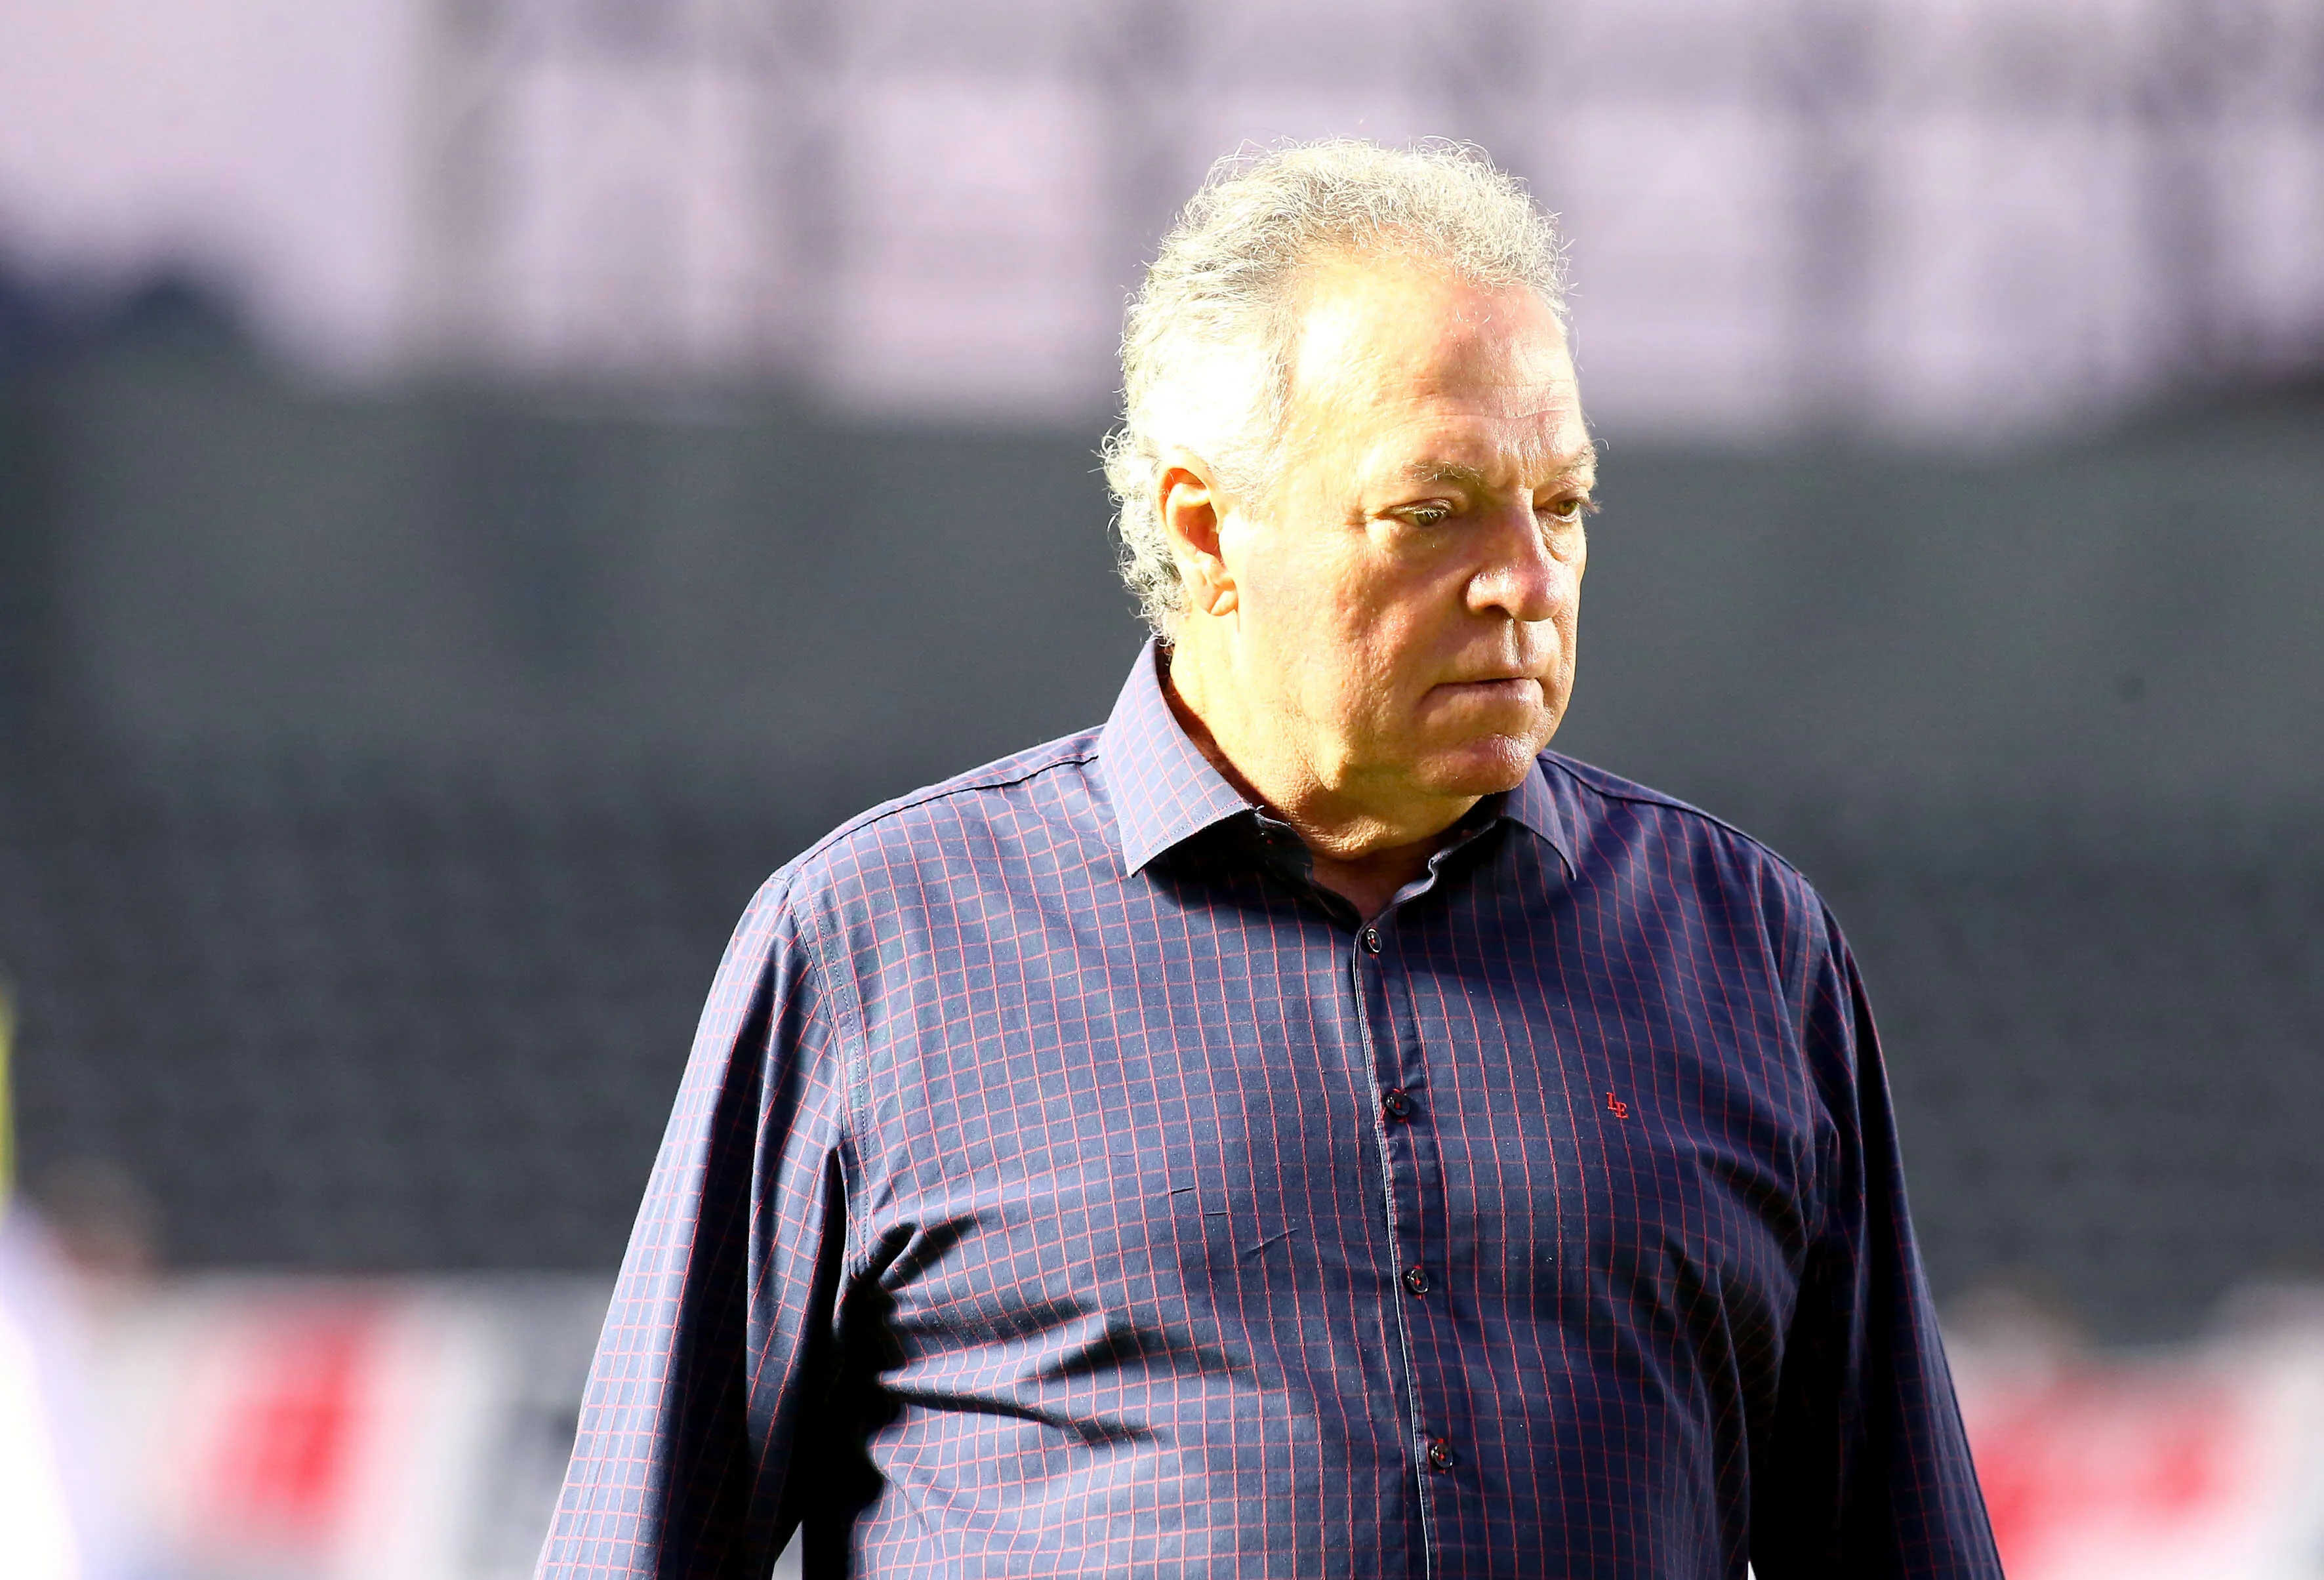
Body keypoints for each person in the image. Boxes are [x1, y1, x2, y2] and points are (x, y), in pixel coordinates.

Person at [539, 140, 2000, 1577]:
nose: (1525, 581)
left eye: (1560, 505)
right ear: (1205, 525)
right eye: (1433, 511)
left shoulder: (1745, 948)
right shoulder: (873, 946)